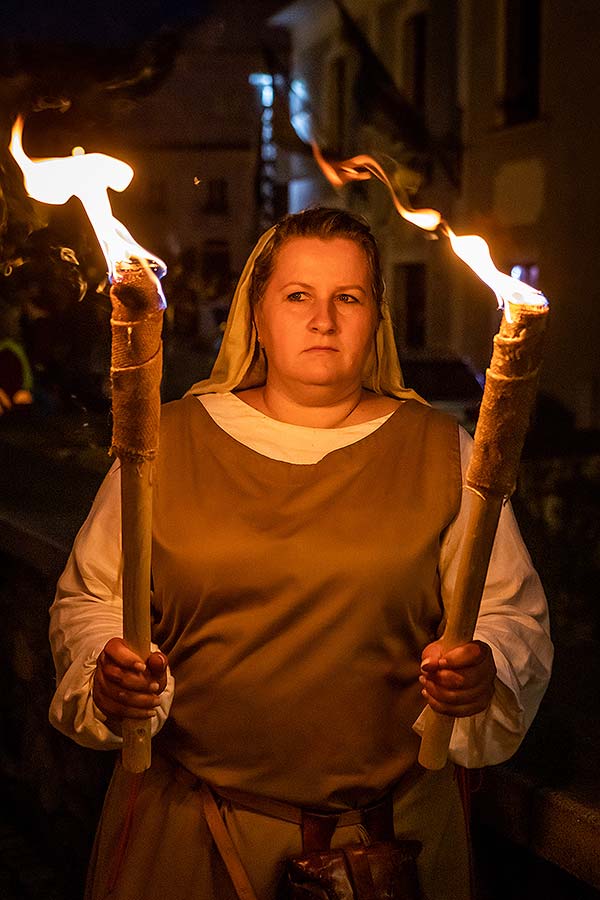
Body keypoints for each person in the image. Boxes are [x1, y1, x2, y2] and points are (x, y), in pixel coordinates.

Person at [49, 207, 552, 900]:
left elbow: (506, 612)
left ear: (376, 318)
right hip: (194, 841)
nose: (324, 319)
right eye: (298, 296)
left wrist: (482, 670)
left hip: (390, 850)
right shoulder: (164, 445)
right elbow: (92, 599)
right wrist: (107, 672)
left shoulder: (443, 453)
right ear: (256, 314)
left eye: (348, 297)